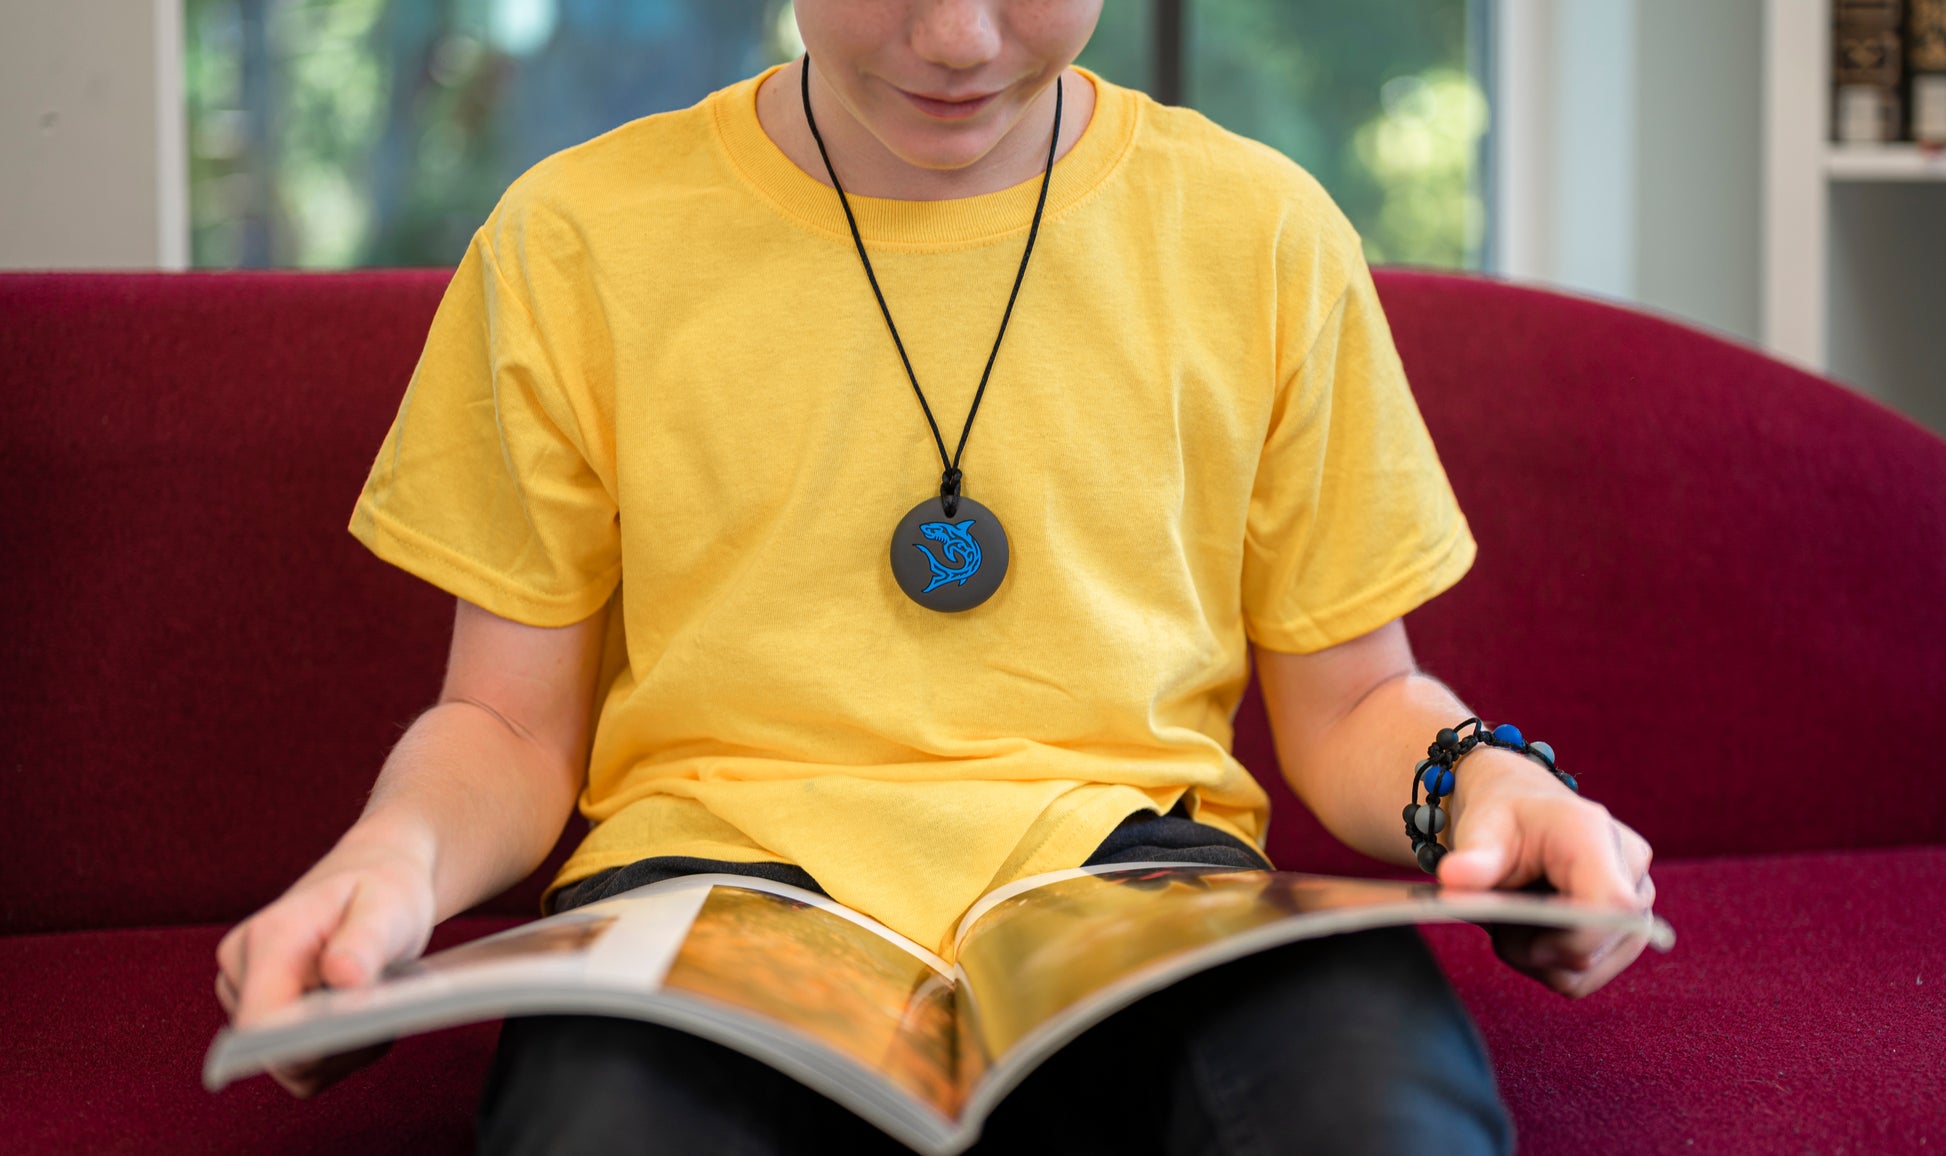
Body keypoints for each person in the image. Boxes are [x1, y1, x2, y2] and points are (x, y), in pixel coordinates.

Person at [215, 2, 1657, 1152]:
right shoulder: (575, 237)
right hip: (708, 908)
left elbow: (1354, 706)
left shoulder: (1263, 234)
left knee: (1372, 1093)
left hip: (1145, 890)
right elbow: (513, 728)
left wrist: (1489, 788)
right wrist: (388, 865)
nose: (957, 37)